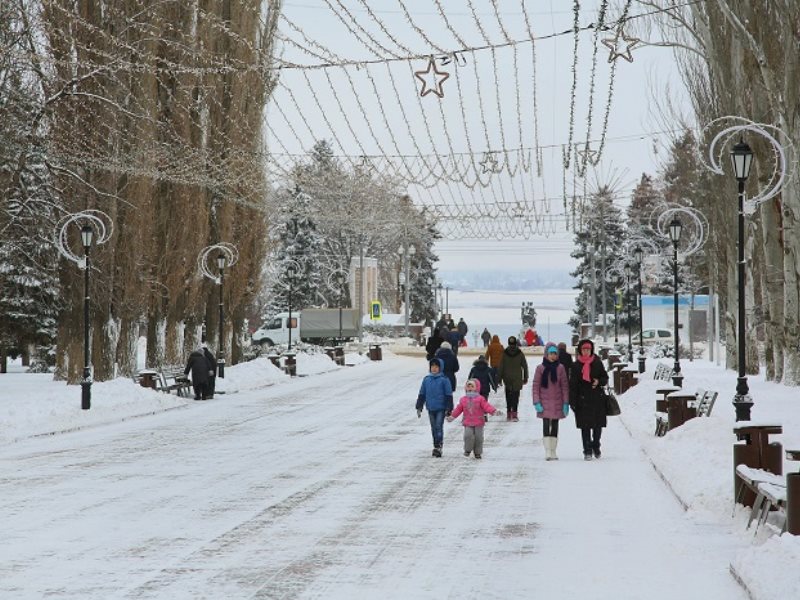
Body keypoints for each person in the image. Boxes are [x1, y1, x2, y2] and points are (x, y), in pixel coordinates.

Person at [569, 339, 610, 460]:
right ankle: (587, 450)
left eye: (588, 349)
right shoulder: (576, 365)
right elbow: (573, 385)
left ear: (591, 350)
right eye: (584, 349)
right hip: (582, 400)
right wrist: (573, 401)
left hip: (597, 398)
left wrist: (598, 381)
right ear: (580, 351)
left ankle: (596, 445)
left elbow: (605, 377)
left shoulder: (597, 362)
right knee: (585, 426)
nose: (586, 351)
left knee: (598, 426)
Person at [533, 343, 570, 460]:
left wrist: (565, 403)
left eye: (555, 354)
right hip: (544, 401)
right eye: (551, 354)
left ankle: (553, 450)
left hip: (557, 401)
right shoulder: (540, 368)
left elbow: (564, 385)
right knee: (545, 425)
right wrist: (536, 402)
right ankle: (547, 450)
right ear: (546, 354)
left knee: (554, 425)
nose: (553, 356)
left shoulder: (561, 368)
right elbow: (535, 386)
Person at [447, 379, 497, 459]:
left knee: (478, 438)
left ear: (476, 388)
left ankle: (478, 452)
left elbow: (486, 406)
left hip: (479, 422)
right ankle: (467, 450)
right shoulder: (463, 399)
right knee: (467, 436)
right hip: (468, 422)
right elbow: (458, 409)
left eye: (472, 386)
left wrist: (493, 411)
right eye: (468, 386)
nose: (470, 388)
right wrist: (452, 416)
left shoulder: (480, 399)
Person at [416, 358, 454, 457]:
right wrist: (419, 406)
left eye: (436, 367)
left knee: (438, 426)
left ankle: (439, 445)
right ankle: (435, 445)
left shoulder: (444, 380)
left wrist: (449, 408)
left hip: (441, 407)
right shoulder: (427, 379)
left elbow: (448, 395)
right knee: (433, 427)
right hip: (431, 407)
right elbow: (422, 393)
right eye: (432, 366)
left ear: (440, 368)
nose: (434, 368)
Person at [497, 336, 528, 422]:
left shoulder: (504, 353)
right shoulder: (520, 353)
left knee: (508, 395)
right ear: (516, 343)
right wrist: (525, 377)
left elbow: (501, 367)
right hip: (517, 378)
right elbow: (525, 366)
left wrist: (499, 378)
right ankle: (514, 413)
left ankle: (508, 413)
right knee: (515, 396)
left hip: (507, 378)